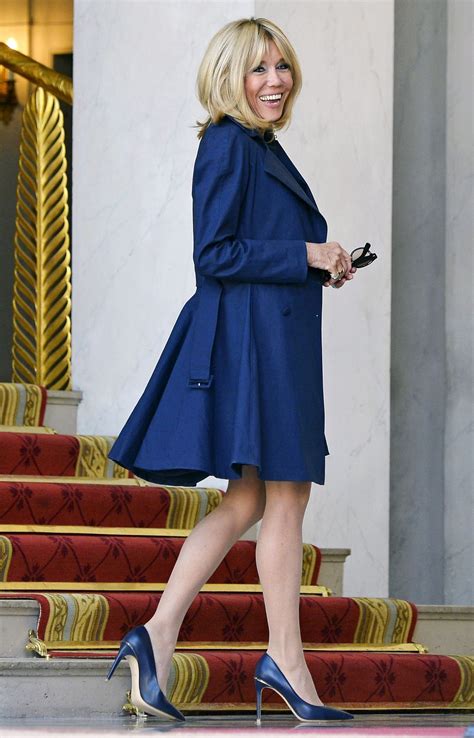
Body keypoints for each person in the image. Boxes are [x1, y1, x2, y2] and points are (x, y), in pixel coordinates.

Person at [107, 16, 355, 723]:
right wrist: (306, 254)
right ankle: (287, 661)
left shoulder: (254, 146)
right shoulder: (227, 145)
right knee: (284, 498)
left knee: (250, 501)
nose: (274, 81)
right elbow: (213, 254)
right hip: (258, 349)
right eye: (258, 69)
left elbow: (256, 246)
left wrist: (321, 261)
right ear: (230, 78)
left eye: (280, 66)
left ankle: (155, 636)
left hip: (270, 341)